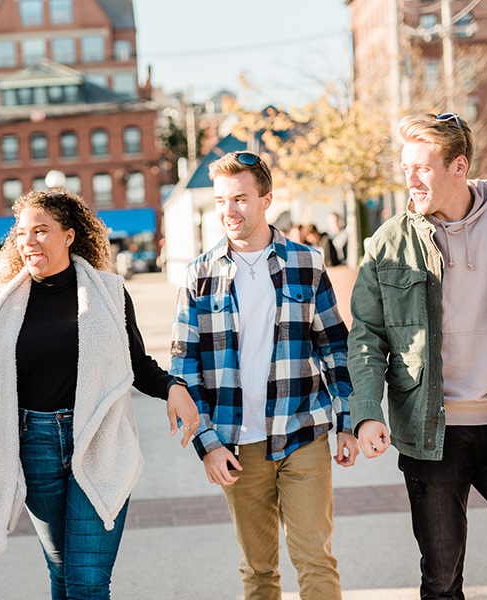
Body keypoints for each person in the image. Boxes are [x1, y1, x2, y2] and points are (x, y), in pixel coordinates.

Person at [0, 189, 199, 599]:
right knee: (62, 575)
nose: (29, 242)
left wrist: (171, 387)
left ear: (69, 236)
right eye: (22, 233)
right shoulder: (4, 302)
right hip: (33, 444)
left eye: (41, 231)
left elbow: (136, 364)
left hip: (99, 438)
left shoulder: (108, 293)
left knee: (88, 580)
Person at [348, 113, 487, 599]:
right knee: (442, 576)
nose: (410, 179)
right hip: (432, 431)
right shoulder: (389, 242)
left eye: (423, 168)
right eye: (406, 167)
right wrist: (365, 413)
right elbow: (367, 336)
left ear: (459, 166)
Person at [171, 151, 358, 600]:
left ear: (266, 199)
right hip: (238, 446)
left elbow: (335, 348)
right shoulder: (199, 275)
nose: (228, 212)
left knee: (315, 558)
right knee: (258, 570)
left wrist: (348, 423)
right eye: (220, 201)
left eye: (239, 199)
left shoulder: (306, 264)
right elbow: (184, 369)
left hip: (302, 433)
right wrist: (207, 445)